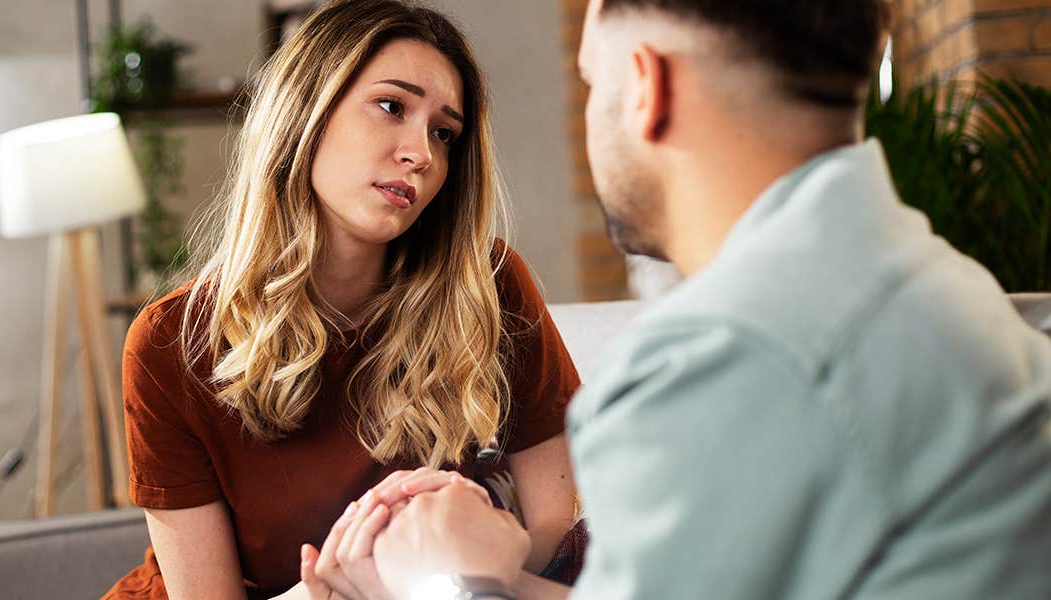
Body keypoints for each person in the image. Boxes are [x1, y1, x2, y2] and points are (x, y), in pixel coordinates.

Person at [311, 0, 1051, 598]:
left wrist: (451, 583)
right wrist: (497, 577)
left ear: (646, 88)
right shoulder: (938, 286)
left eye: (592, 83)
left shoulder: (728, 357)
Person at [102, 1, 582, 598]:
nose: (422, 154)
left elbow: (556, 529)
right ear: (306, 113)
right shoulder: (171, 344)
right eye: (391, 106)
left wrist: (459, 568)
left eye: (443, 132)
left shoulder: (488, 288)